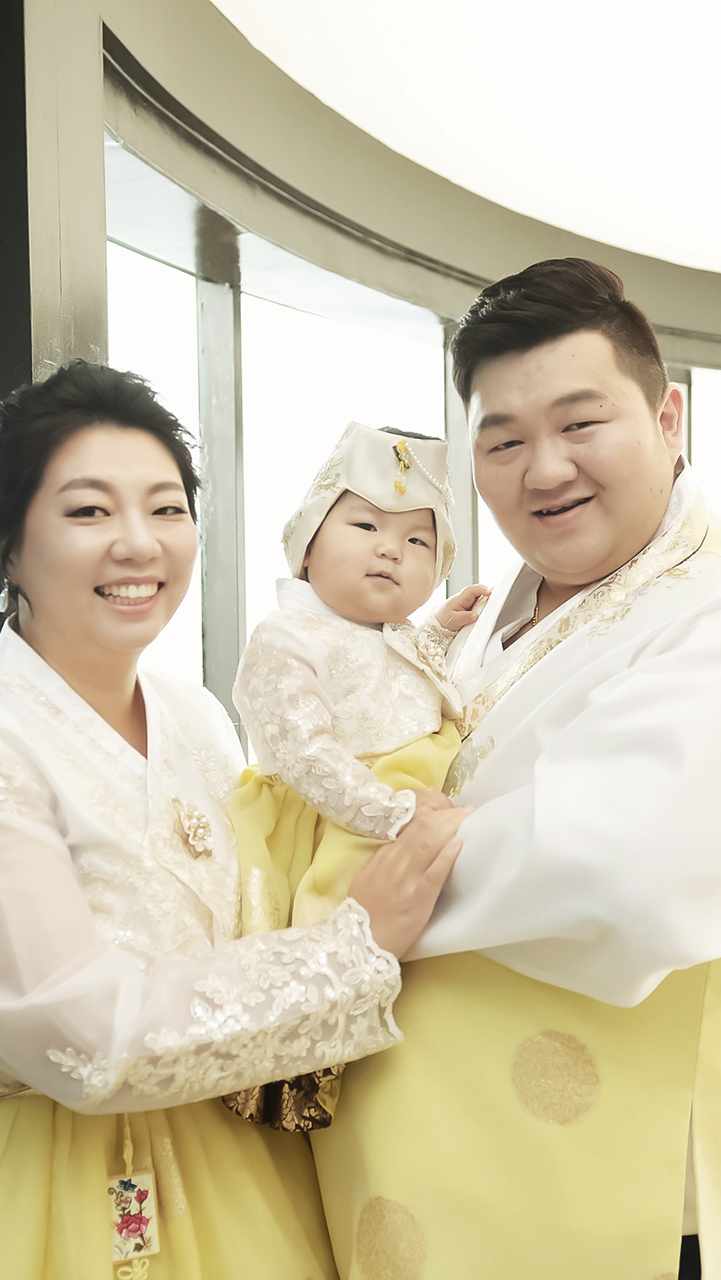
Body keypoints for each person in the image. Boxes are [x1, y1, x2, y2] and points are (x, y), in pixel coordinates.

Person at [0, 362, 471, 1280]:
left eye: (166, 509)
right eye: (88, 511)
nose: (139, 544)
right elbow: (86, 1045)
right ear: (7, 542)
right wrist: (359, 945)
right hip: (21, 1189)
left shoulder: (194, 715)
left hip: (221, 1162)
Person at [309, 261, 721, 1280]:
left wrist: (336, 903)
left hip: (635, 1208)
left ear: (668, 418)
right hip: (451, 1178)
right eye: (504, 442)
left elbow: (619, 871)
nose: (543, 469)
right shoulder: (492, 616)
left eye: (580, 424)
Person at [221, 423, 487, 1131]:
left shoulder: (396, 636)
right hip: (334, 818)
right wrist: (388, 812)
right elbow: (305, 752)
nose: (390, 549)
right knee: (332, 931)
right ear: (307, 545)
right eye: (366, 525)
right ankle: (303, 1071)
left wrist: (439, 633)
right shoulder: (287, 637)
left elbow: (392, 675)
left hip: (404, 808)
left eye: (418, 541)